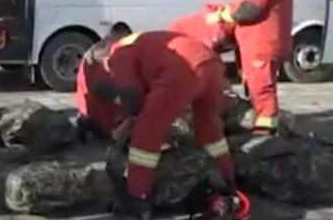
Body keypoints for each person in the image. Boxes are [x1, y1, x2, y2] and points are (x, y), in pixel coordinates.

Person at [94, 30, 243, 220]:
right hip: (210, 62)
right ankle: (227, 181)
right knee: (209, 128)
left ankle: (136, 198)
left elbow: (131, 94)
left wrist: (133, 119)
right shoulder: (143, 40)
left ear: (106, 54)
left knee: (146, 135)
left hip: (183, 68)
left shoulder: (118, 52)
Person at [206, 0, 293, 135]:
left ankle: (264, 134)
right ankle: (263, 126)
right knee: (257, 86)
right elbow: (248, 4)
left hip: (261, 43)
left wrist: (220, 16)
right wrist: (227, 8)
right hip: (263, 41)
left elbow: (249, 10)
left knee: (261, 89)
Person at [73, 22, 132, 141]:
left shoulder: (97, 47)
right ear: (122, 36)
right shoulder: (109, 53)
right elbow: (101, 88)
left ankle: (88, 123)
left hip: (85, 104)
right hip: (99, 108)